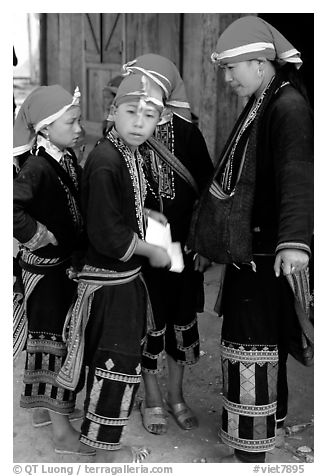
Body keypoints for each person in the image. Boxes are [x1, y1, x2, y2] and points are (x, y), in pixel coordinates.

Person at [188, 16, 313, 463]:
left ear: (260, 63)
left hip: (265, 254)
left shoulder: (287, 107)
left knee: (252, 344)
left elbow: (299, 176)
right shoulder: (267, 98)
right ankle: (270, 429)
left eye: (231, 68)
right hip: (253, 251)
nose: (226, 79)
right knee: (265, 343)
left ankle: (251, 450)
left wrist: (294, 242)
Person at [56, 73, 171, 463]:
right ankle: (99, 447)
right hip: (110, 283)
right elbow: (107, 234)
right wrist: (152, 251)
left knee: (116, 359)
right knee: (114, 360)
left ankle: (98, 438)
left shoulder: (127, 151)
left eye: (150, 115)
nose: (140, 121)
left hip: (122, 280)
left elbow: (127, 213)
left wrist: (150, 225)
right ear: (112, 112)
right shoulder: (107, 161)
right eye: (131, 111)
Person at [121, 54, 213, 435]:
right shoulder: (124, 128)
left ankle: (176, 396)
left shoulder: (188, 133)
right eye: (136, 83)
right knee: (147, 321)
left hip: (182, 248)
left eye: (150, 84)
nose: (142, 93)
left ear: (166, 90)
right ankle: (153, 398)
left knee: (178, 320)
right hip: (141, 250)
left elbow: (211, 192)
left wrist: (205, 244)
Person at [13, 85, 91, 455]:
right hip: (45, 274)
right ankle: (61, 432)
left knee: (57, 340)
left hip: (61, 270)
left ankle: (46, 413)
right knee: (53, 344)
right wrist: (36, 233)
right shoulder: (36, 168)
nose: (78, 128)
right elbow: (10, 206)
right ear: (44, 129)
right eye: (71, 121)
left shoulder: (65, 159)